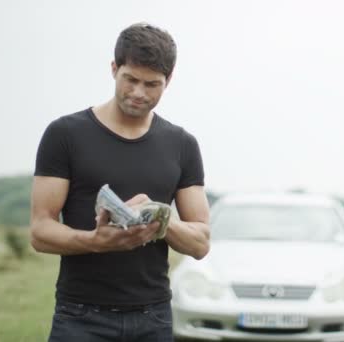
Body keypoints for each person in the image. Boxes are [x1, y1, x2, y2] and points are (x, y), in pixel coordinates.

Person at [30, 23, 210, 342]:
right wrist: (95, 241)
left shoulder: (182, 144)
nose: (139, 93)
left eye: (152, 84)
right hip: (80, 317)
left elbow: (200, 243)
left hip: (153, 316)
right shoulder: (65, 134)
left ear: (168, 81)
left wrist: (160, 218)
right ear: (114, 69)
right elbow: (40, 231)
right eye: (131, 80)